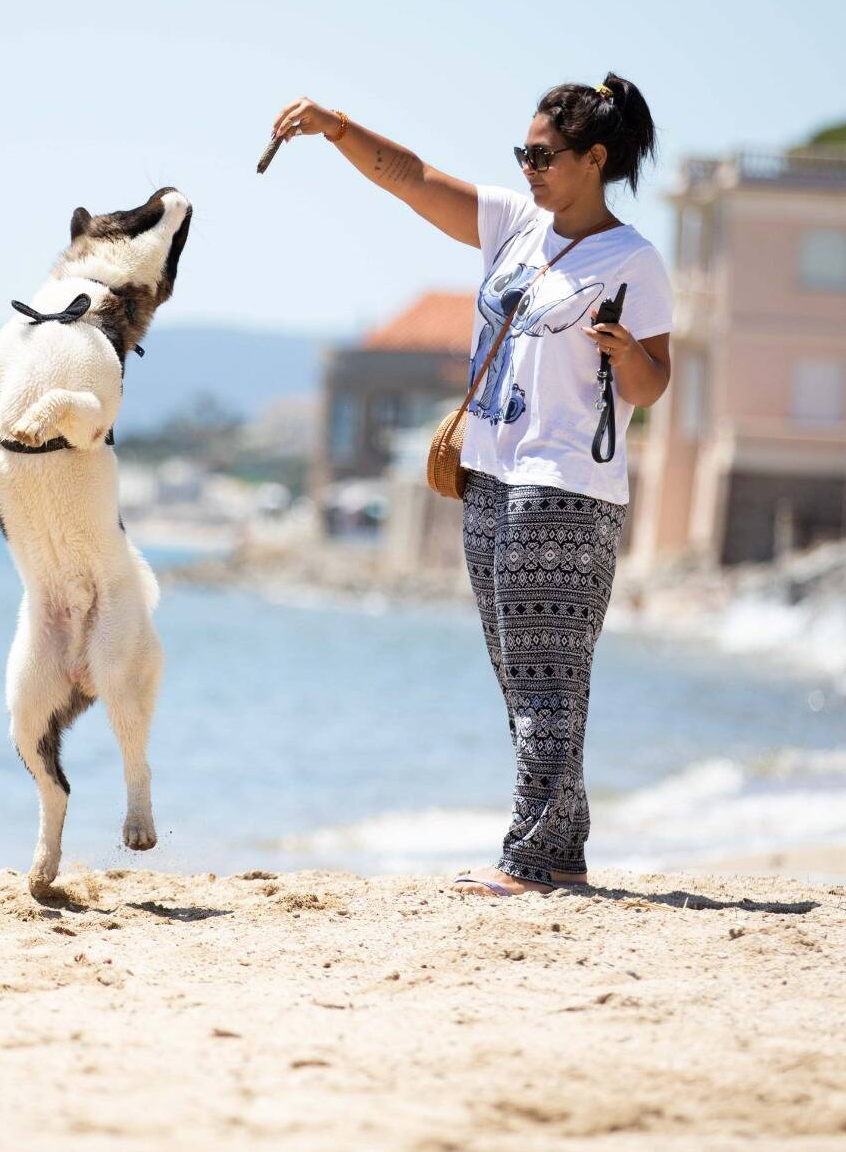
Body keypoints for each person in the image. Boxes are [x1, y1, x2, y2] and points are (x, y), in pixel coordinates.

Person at [269, 77, 673, 896]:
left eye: (543, 155)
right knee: (520, 674)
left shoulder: (633, 259)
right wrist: (338, 128)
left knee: (547, 679)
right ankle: (560, 851)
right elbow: (413, 177)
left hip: (565, 484)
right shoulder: (515, 224)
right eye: (522, 152)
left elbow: (653, 384)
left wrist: (627, 351)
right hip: (489, 472)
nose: (528, 167)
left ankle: (531, 859)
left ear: (595, 159)